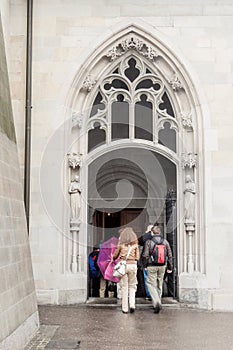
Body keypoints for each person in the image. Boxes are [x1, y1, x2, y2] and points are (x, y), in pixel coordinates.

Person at [142, 225, 173, 313]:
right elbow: (170, 255)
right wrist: (169, 267)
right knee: (160, 283)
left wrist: (145, 265)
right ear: (159, 232)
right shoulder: (165, 242)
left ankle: (156, 302)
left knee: (151, 284)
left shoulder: (149, 242)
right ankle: (159, 302)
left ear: (152, 233)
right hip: (162, 266)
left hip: (151, 266)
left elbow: (145, 255)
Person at [113, 227, 139, 314]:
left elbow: (115, 256)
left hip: (123, 266)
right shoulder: (135, 246)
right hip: (133, 266)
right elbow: (137, 257)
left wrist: (117, 257)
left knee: (124, 287)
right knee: (132, 286)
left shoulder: (121, 245)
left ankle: (125, 308)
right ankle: (132, 304)